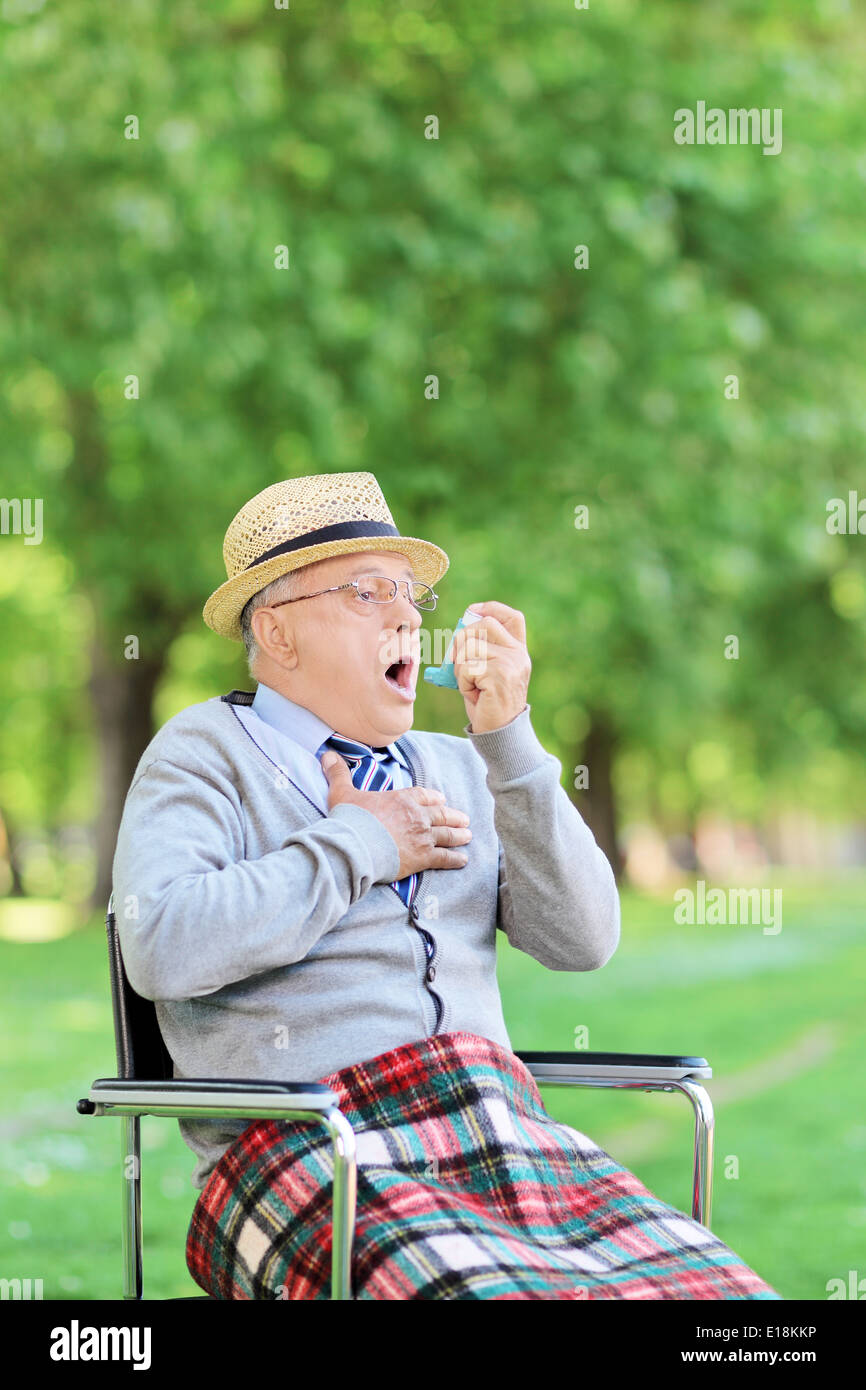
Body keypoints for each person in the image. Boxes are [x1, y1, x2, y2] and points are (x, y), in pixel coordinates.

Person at [112, 470, 781, 1300]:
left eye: (411, 596)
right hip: (306, 1149)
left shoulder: (463, 766)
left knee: (729, 1308)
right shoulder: (201, 754)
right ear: (278, 631)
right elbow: (161, 943)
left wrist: (508, 740)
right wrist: (364, 839)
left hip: (501, 1128)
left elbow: (584, 938)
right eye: (368, 593)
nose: (406, 616)